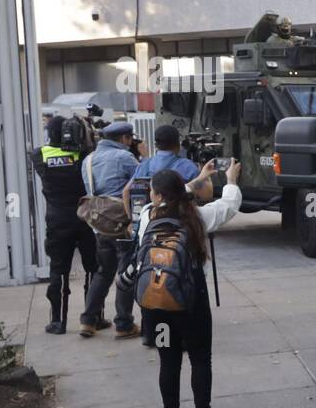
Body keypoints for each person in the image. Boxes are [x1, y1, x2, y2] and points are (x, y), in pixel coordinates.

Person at [134, 161, 242, 408]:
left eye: (152, 191)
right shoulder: (199, 217)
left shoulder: (147, 216)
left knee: (167, 361)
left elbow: (175, 192)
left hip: (156, 303)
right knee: (199, 358)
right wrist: (229, 179)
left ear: (156, 196)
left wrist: (196, 179)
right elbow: (229, 204)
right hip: (192, 300)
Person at [32, 115, 99, 334]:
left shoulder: (40, 155)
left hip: (57, 219)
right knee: (92, 268)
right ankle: (93, 317)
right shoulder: (83, 155)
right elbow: (90, 150)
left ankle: (58, 322)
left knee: (59, 269)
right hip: (85, 217)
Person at [79, 121, 142, 339]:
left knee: (103, 272)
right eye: (130, 138)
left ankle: (88, 320)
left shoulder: (88, 159)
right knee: (126, 273)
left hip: (99, 225)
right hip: (121, 224)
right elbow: (141, 184)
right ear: (124, 138)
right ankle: (124, 324)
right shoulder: (124, 157)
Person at [123, 124, 211, 209]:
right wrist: (205, 171)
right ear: (178, 144)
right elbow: (206, 195)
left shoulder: (144, 165)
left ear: (156, 145)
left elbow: (126, 192)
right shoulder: (188, 167)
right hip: (179, 220)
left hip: (149, 219)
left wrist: (132, 220)